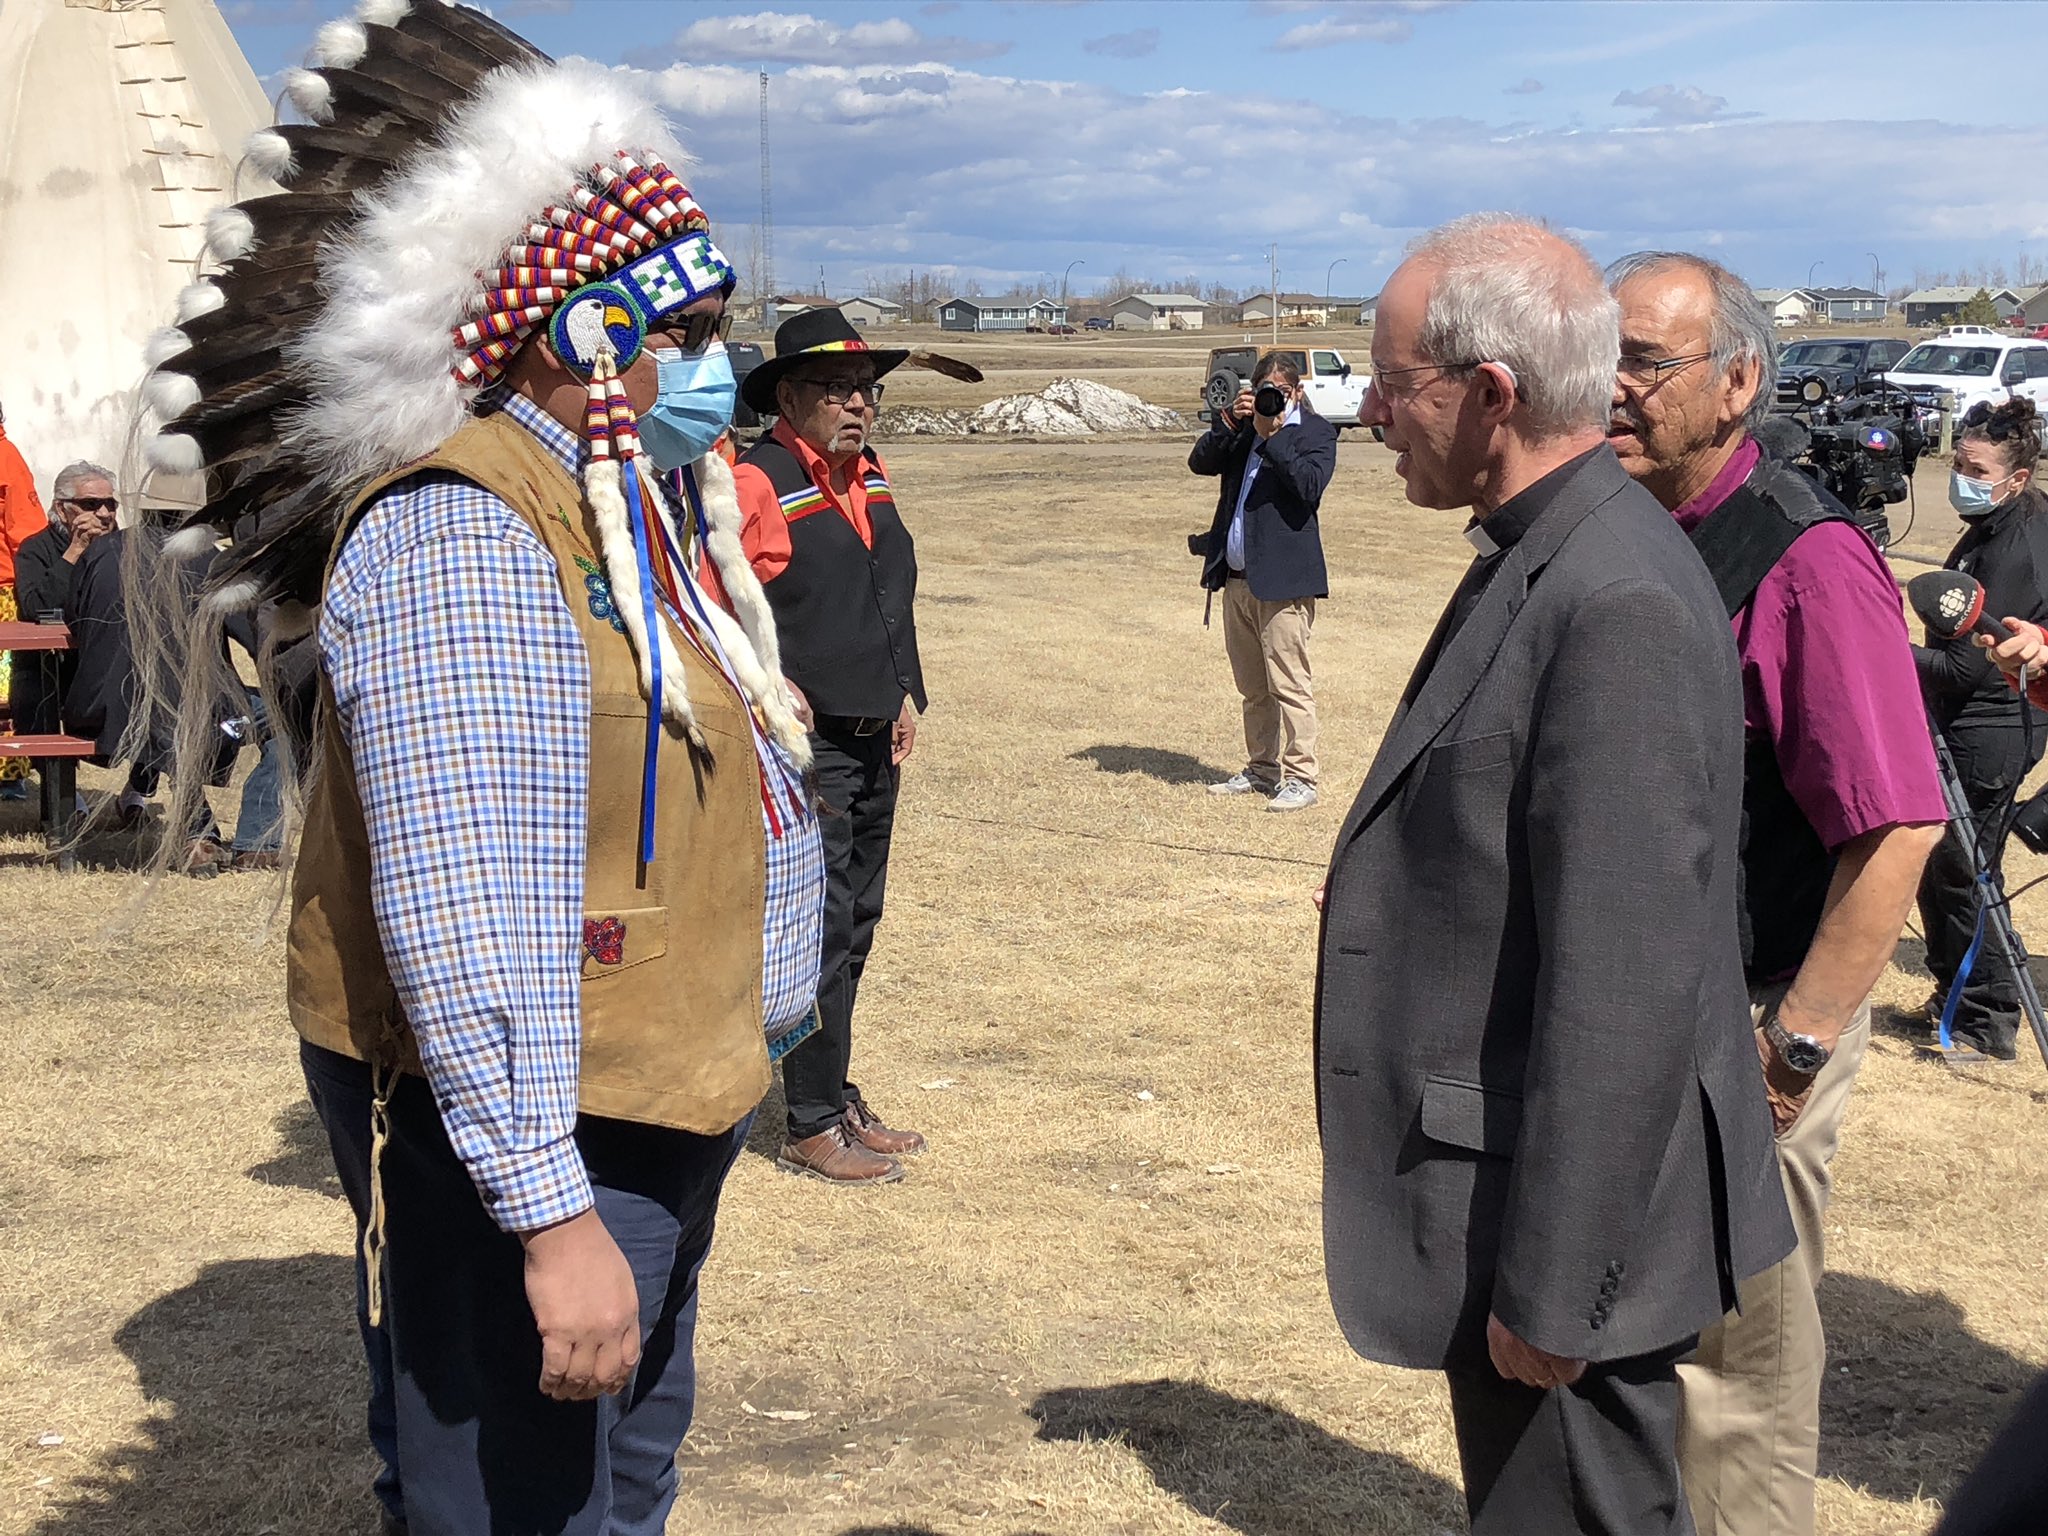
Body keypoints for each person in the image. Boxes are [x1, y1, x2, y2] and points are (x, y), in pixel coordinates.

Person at [134, 13, 823, 1531]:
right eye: (675, 328)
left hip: (645, 1093)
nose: (705, 367)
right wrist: (546, 1206)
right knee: (517, 1501)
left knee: (610, 1481)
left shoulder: (612, 504)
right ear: (571, 326)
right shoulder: (463, 531)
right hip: (533, 1116)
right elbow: (464, 891)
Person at [1320, 213, 1793, 1536]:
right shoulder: (1548, 546)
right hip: (1529, 1197)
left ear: (1492, 394)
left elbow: (1627, 977)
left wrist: (1558, 1281)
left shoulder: (1611, 593)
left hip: (1567, 1230)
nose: (1371, 415)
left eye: (1394, 383)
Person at [1604, 252, 1947, 1536]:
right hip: (1656, 1002)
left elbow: (1899, 826)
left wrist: (1789, 1050)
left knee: (1735, 1370)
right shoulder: (1636, 527)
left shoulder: (1805, 563)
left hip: (1758, 1016)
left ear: (1738, 381)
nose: (1613, 388)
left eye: (1645, 360)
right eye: (1602, 359)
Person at [724, 307, 929, 1185]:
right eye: (837, 391)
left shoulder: (868, 476)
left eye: (866, 390)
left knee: (859, 923)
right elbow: (714, 605)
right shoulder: (754, 480)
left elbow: (889, 589)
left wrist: (904, 691)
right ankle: (808, 1121)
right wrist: (774, 687)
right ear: (787, 397)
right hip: (812, 752)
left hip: (874, 731)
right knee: (821, 927)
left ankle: (832, 1089)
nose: (858, 406)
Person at [1912, 398, 2048, 1064]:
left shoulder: (2018, 546)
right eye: (1957, 463)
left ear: (2017, 478)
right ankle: (1953, 997)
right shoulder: (1988, 524)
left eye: (1976, 468)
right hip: (1964, 723)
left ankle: (1987, 1018)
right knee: (1938, 869)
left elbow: (1964, 669)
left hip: (1992, 730)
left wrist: (1882, 646)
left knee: (1968, 874)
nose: (1961, 477)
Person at [1189, 353, 1337, 812]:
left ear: (1295, 392)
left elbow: (1309, 487)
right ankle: (1260, 769)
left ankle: (1301, 778)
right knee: (1253, 687)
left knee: (1289, 684)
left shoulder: (1316, 433)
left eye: (1277, 390)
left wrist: (1274, 438)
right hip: (1236, 581)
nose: (1269, 399)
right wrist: (1230, 422)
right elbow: (1199, 463)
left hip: (1284, 584)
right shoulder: (1243, 431)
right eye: (1262, 389)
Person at [0, 400, 48, 799]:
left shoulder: (5, 458)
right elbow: (27, 532)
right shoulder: (7, 458)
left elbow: (23, 531)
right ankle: (8, 773)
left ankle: (8, 772)